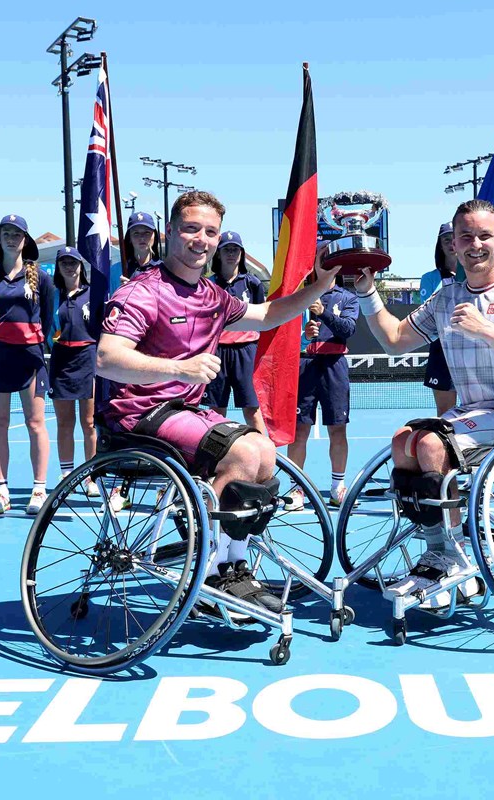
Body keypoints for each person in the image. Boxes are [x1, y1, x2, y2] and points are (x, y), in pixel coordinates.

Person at [95, 190, 340, 612]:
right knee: (244, 454)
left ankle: (233, 563)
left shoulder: (212, 295)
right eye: (191, 228)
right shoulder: (142, 291)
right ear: (169, 232)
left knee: (263, 449)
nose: (201, 239)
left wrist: (319, 285)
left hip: (185, 413)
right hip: (138, 416)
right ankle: (210, 569)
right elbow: (106, 358)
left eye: (210, 232)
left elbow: (265, 316)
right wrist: (180, 369)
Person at [351, 198, 494, 604]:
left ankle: (453, 556)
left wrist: (488, 330)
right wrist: (366, 292)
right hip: (473, 412)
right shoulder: (447, 298)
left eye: (485, 236)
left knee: (429, 443)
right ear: (453, 244)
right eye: (466, 236)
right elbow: (394, 341)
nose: (475, 244)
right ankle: (439, 549)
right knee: (401, 440)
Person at [0, 214, 55, 516]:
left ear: (25, 239)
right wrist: (1, 340)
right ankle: (1, 490)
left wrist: (31, 340)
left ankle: (39, 489)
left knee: (36, 423)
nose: (11, 238)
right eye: (6, 233)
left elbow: (48, 317)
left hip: (31, 357)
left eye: (17, 233)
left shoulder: (41, 276)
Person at [285, 270, 360, 508]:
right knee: (299, 432)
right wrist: (305, 338)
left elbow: (347, 330)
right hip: (304, 365)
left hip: (334, 366)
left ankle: (337, 488)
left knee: (337, 431)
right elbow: (285, 333)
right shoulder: (299, 295)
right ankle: (297, 489)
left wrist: (323, 313)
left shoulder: (348, 298)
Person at [48, 247, 99, 496]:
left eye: (74, 262)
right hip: (61, 361)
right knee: (64, 422)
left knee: (89, 423)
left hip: (87, 360)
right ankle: (67, 474)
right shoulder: (52, 296)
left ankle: (91, 477)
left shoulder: (94, 294)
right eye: (64, 262)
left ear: (81, 265)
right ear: (58, 267)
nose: (69, 266)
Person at [205, 231, 267, 434]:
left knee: (252, 410)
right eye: (226, 249)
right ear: (219, 254)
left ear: (241, 253)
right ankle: (215, 459)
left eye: (235, 249)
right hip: (217, 352)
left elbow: (262, 314)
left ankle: (266, 456)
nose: (231, 253)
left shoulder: (253, 283)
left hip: (246, 352)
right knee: (216, 411)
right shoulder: (208, 284)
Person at [418, 222, 462, 415]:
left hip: (473, 348)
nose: (452, 243)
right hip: (442, 350)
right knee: (445, 412)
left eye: (456, 238)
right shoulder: (429, 278)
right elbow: (429, 311)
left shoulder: (475, 275)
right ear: (440, 245)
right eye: (446, 240)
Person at [122, 211, 162, 280]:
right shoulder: (117, 270)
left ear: (154, 236)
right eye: (136, 233)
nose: (142, 238)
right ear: (129, 238)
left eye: (147, 232)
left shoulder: (163, 270)